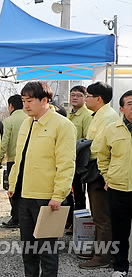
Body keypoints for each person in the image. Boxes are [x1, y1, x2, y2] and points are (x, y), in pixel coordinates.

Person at [8, 81, 76, 277]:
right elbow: (20, 158)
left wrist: (58, 194)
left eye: (30, 101)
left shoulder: (62, 126)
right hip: (24, 195)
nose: (25, 105)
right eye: (23, 101)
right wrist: (13, 185)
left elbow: (66, 164)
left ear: (45, 100)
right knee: (28, 249)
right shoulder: (26, 123)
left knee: (47, 250)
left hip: (46, 198)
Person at [78, 81, 120, 269]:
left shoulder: (108, 117)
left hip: (101, 170)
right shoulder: (98, 115)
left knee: (102, 216)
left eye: (88, 96)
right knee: (97, 213)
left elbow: (100, 147)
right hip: (94, 167)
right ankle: (98, 250)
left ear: (99, 99)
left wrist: (83, 145)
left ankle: (103, 256)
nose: (86, 99)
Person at [94, 90, 132, 277]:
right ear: (122, 108)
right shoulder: (112, 129)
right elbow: (103, 156)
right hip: (119, 188)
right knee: (120, 230)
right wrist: (108, 177)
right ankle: (120, 266)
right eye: (131, 103)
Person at [65, 85, 93, 233]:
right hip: (67, 160)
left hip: (79, 162)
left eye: (78, 95)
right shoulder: (69, 114)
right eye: (72, 95)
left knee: (79, 196)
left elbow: (87, 141)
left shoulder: (87, 115)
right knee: (66, 193)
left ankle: (78, 226)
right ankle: (69, 221)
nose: (74, 98)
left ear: (85, 97)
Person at [0, 94, 27, 228]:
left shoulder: (9, 121)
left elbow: (4, 142)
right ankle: (25, 217)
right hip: (29, 161)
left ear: (11, 106)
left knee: (13, 190)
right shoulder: (30, 118)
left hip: (13, 160)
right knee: (25, 190)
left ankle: (15, 217)